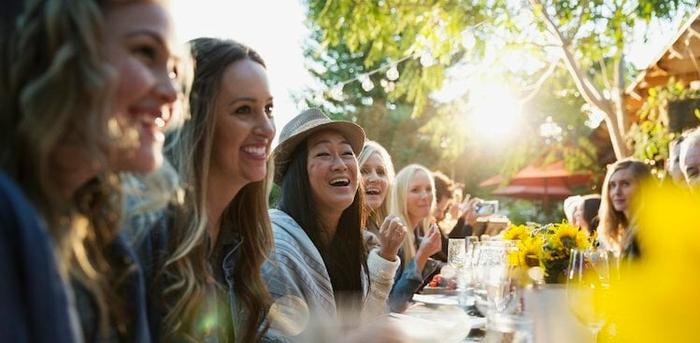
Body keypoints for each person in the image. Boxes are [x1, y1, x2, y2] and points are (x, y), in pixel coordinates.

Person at [0, 0, 179, 341]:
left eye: (172, 68)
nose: (172, 91)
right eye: (144, 52)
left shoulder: (107, 252)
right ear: (57, 52)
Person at [136, 38, 276, 342]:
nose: (267, 129)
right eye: (243, 110)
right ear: (194, 122)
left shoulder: (244, 241)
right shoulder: (148, 234)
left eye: (268, 108)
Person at [264, 108, 401, 340]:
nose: (340, 164)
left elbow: (363, 323)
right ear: (297, 174)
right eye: (323, 154)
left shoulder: (346, 243)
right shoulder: (276, 251)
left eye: (347, 153)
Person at [387, 164, 443, 312]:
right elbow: (394, 304)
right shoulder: (394, 235)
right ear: (400, 196)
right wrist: (422, 256)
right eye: (415, 190)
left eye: (429, 189)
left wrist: (446, 276)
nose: (425, 196)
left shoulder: (417, 232)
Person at [358, 140, 406, 257]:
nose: (375, 178)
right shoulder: (338, 233)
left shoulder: (382, 231)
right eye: (364, 171)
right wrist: (387, 255)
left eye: (380, 172)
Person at [597, 159, 651, 258]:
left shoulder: (648, 231)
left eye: (625, 184)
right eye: (612, 185)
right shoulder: (626, 231)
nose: (617, 192)